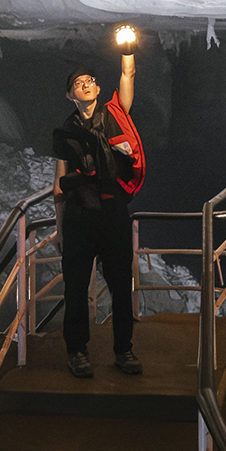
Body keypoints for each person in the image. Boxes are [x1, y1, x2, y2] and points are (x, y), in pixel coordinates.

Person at [47, 43, 146, 378]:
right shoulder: (65, 134)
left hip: (113, 213)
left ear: (99, 88)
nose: (86, 84)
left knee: (121, 284)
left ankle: (124, 350)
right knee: (75, 288)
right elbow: (60, 183)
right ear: (70, 96)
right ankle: (77, 352)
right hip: (78, 217)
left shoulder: (116, 113)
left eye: (90, 80)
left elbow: (128, 75)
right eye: (79, 83)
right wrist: (60, 228)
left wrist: (128, 49)